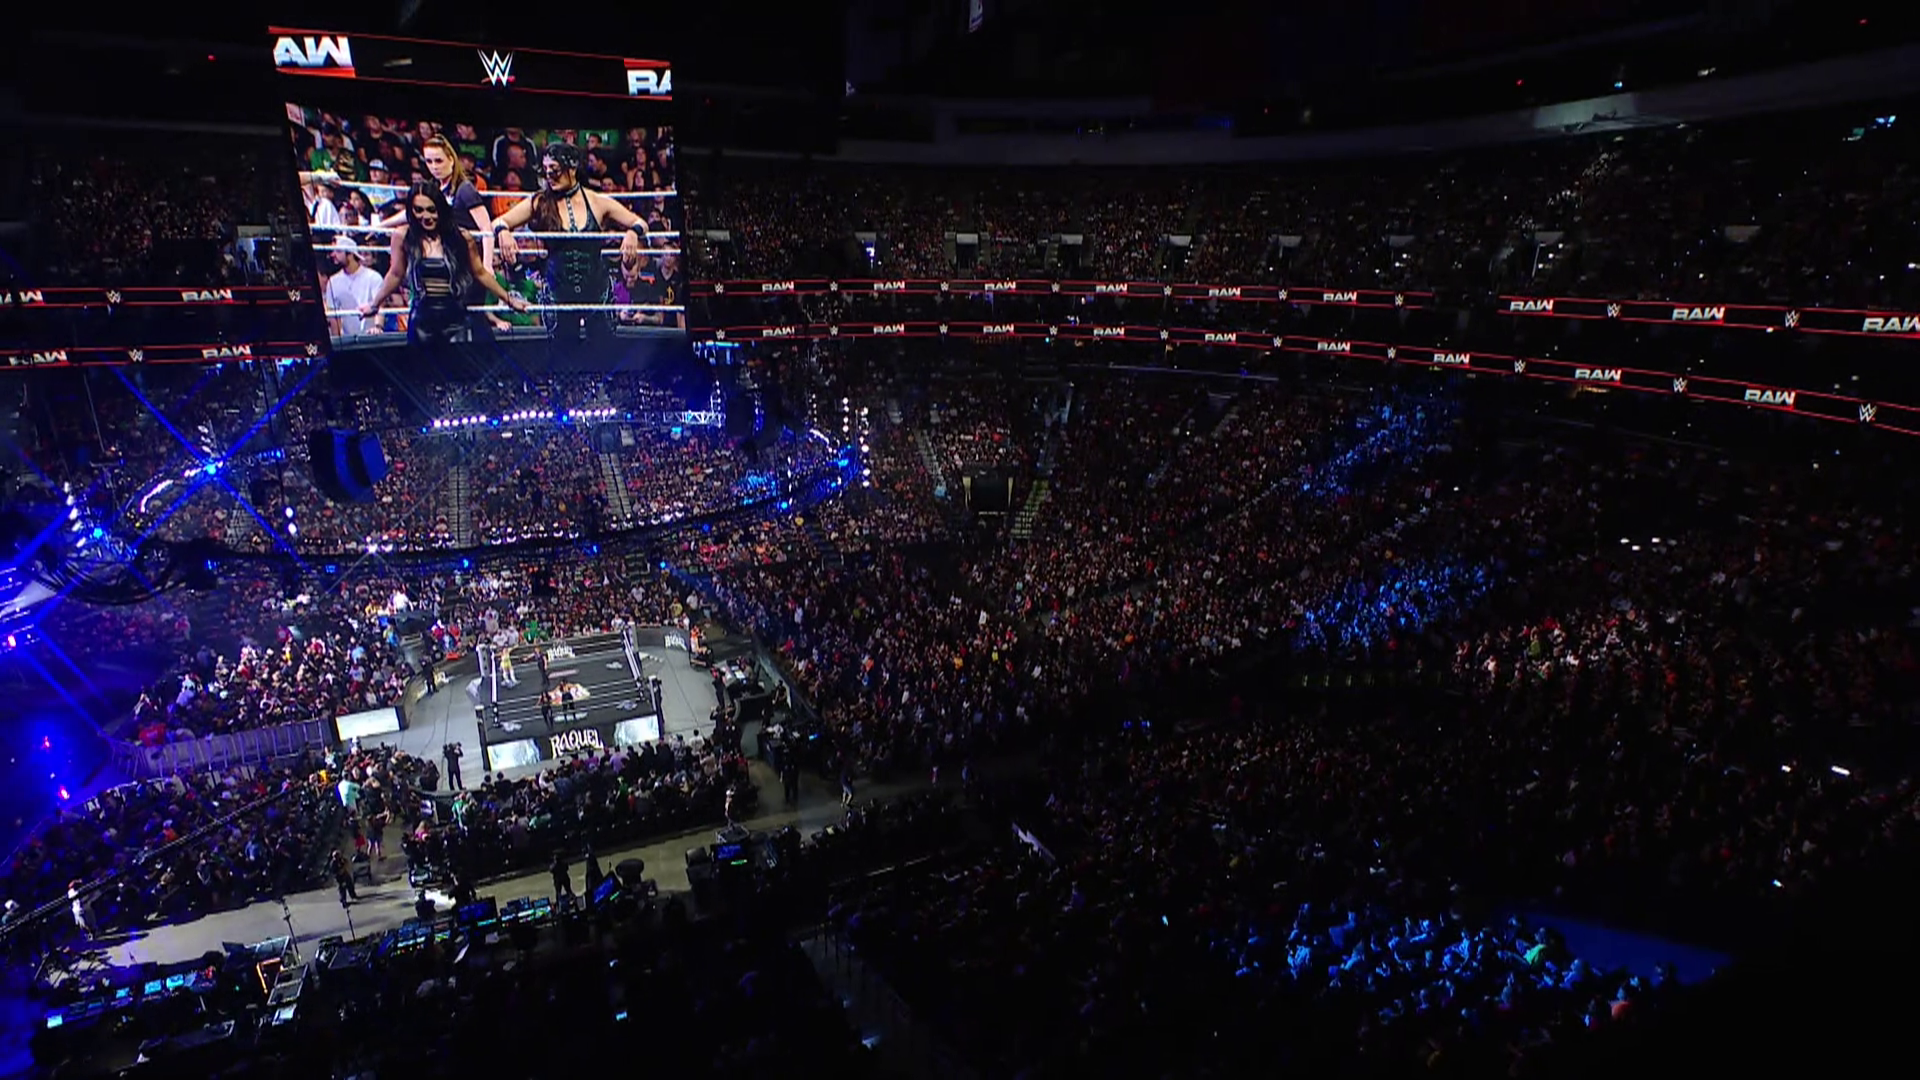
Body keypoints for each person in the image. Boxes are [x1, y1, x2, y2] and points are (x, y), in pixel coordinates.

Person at [491, 142, 654, 345]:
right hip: (559, 295)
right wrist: (503, 232)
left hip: (596, 293)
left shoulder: (596, 201)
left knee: (603, 352)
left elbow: (641, 223)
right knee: (562, 355)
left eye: (555, 170)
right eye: (546, 170)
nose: (550, 176)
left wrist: (632, 233)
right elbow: (498, 221)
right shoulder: (540, 201)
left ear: (572, 169)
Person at [358, 182, 529, 344]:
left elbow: (480, 272)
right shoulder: (402, 236)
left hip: (455, 317)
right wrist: (374, 304)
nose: (426, 216)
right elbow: (395, 274)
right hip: (422, 320)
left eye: (431, 210)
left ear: (441, 209)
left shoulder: (461, 237)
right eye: (419, 210)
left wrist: (509, 299)